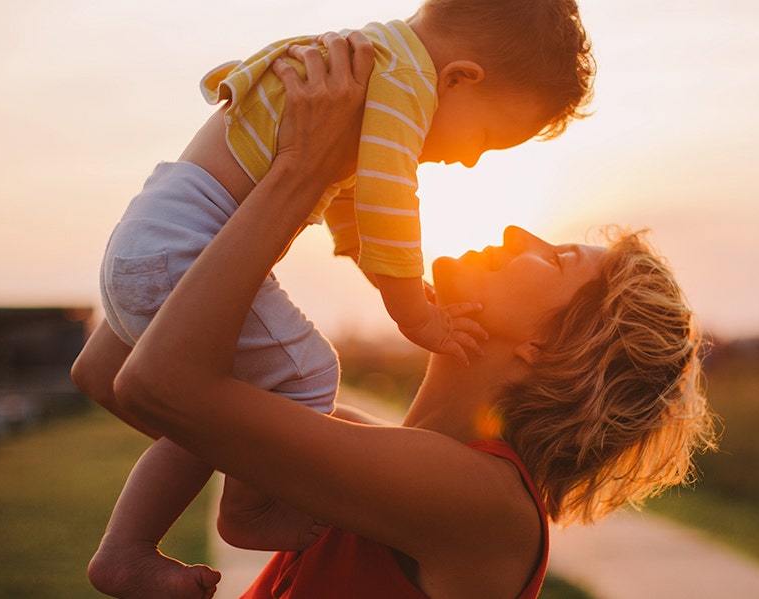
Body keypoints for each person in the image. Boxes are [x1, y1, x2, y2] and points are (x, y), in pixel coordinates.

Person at [72, 32, 715, 598]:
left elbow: (156, 383)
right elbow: (110, 369)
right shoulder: (367, 455)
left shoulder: (481, 503)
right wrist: (233, 180)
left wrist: (301, 171)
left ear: (549, 346)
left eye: (553, 259)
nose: (522, 232)